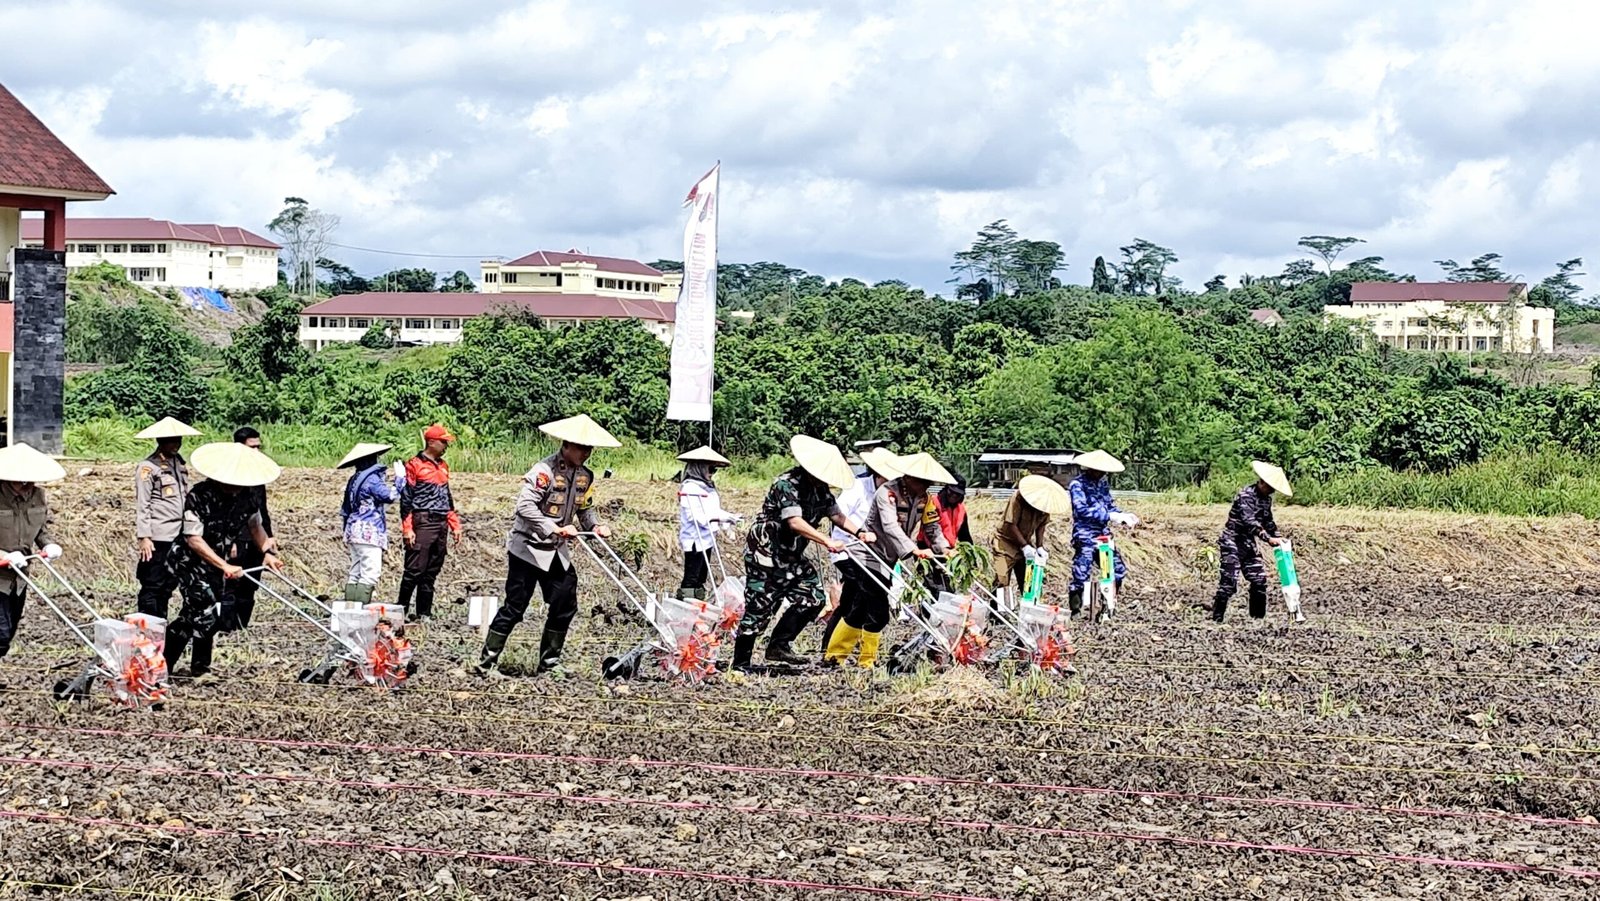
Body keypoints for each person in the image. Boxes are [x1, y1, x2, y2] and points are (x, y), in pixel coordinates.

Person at [473, 414, 618, 677]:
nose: (586, 453)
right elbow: (524, 507)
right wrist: (554, 527)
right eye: (582, 448)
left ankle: (549, 663)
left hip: (555, 552)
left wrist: (594, 527)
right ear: (567, 445)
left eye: (589, 448)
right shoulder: (544, 472)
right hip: (528, 549)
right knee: (515, 607)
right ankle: (486, 663)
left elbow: (585, 509)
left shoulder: (586, 476)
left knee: (565, 602)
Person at [735, 435, 873, 671]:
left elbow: (836, 515)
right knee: (760, 605)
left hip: (792, 555)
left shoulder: (821, 490)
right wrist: (826, 540)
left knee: (813, 598)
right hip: (767, 554)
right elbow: (795, 522)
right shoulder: (786, 484)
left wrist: (859, 532)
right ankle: (740, 663)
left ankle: (779, 644)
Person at [164, 442, 283, 682]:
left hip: (218, 559)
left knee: (211, 608)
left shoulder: (248, 496)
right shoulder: (199, 495)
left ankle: (199, 665)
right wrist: (225, 565)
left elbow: (255, 526)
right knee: (201, 605)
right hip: (191, 561)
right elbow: (193, 539)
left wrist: (267, 552)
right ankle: (164, 664)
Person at [827, 452, 953, 667]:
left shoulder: (926, 499)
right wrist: (913, 550)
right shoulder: (887, 493)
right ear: (910, 478)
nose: (927, 486)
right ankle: (867, 661)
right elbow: (890, 526)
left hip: (888, 557)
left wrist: (946, 549)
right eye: (923, 482)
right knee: (879, 611)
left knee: (859, 609)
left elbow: (932, 528)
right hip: (867, 555)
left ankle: (835, 656)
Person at [819, 447, 902, 656]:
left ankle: (833, 646)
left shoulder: (890, 495)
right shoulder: (857, 487)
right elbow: (838, 516)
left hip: (871, 554)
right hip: (847, 549)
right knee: (862, 596)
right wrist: (858, 535)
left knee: (851, 600)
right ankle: (844, 649)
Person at [0, 444, 65, 661]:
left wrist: (47, 544)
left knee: (8, 633)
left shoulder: (38, 495)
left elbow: (40, 529)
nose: (27, 484)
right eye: (22, 479)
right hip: (0, 574)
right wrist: (3, 555)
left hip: (19, 578)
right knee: (0, 634)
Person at [1206, 461, 1291, 622]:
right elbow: (1249, 522)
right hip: (1232, 541)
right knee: (1229, 582)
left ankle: (1257, 620)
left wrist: (1279, 537)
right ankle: (1216, 619)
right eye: (1270, 487)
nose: (1272, 491)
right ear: (1263, 483)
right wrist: (1268, 538)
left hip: (1247, 543)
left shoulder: (1266, 500)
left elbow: (1268, 521)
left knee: (1259, 580)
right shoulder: (1246, 495)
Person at [133, 417, 200, 619]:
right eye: (171, 440)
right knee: (153, 584)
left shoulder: (179, 464)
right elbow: (143, 504)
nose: (176, 444)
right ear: (161, 441)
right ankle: (148, 629)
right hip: (158, 535)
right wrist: (145, 536)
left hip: (179, 534)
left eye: (178, 440)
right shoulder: (148, 467)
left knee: (170, 583)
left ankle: (161, 626)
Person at [397, 423, 463, 623]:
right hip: (423, 520)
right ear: (432, 442)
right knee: (414, 569)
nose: (446, 446)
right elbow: (406, 499)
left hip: (441, 521)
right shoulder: (414, 464)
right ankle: (401, 610)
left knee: (431, 570)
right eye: (443, 442)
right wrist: (407, 528)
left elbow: (446, 497)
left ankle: (424, 612)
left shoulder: (443, 466)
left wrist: (455, 523)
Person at [1067, 450, 1139, 617]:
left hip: (1102, 534)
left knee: (1117, 570)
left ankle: (1107, 605)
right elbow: (1081, 510)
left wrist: (1122, 516)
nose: (1102, 473)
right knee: (1081, 572)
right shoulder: (1077, 485)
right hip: (1085, 534)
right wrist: (1109, 515)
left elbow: (1109, 506)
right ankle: (1076, 610)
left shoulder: (1103, 484)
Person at [219, 427, 275, 631]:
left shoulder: (257, 473)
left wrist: (269, 537)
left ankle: (241, 627)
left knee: (250, 585)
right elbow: (226, 512)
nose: (257, 451)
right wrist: (230, 540)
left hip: (256, 537)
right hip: (237, 538)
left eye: (259, 446)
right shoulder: (228, 474)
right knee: (232, 584)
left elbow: (261, 508)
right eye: (252, 447)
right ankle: (226, 628)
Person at [338, 442, 402, 604]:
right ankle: (360, 612)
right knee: (370, 573)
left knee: (356, 572)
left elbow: (346, 508)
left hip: (353, 530)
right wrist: (400, 479)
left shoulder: (355, 479)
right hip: (369, 532)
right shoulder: (372, 480)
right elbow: (390, 496)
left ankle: (350, 610)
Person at [992, 474, 1070, 603]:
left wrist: (1039, 546)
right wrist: (1025, 546)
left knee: (1029, 580)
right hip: (1004, 543)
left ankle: (1028, 610)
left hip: (1024, 544)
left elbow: (1041, 526)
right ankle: (998, 614)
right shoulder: (1018, 498)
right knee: (1001, 578)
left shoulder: (1045, 505)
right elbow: (1011, 525)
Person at [675, 446, 739, 600]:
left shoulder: (707, 487)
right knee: (692, 576)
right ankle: (686, 603)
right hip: (695, 538)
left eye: (714, 470)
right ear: (699, 468)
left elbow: (713, 509)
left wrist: (728, 518)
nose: (711, 473)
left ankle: (699, 601)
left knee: (702, 576)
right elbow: (695, 516)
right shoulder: (690, 487)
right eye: (710, 469)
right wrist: (719, 517)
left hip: (707, 538)